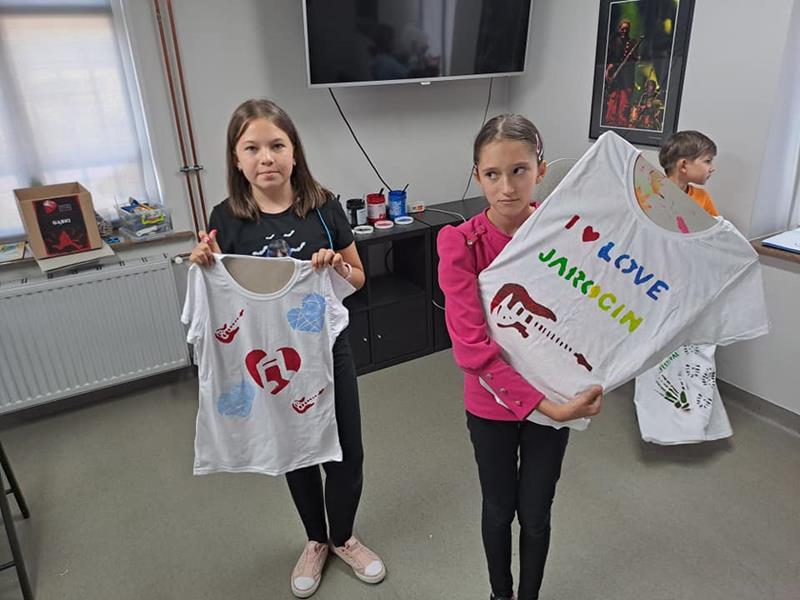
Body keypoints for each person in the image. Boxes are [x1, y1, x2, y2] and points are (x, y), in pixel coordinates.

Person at [189, 98, 385, 598]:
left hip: (328, 351)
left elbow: (359, 278)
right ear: (236, 159)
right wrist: (205, 263)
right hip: (270, 357)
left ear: (294, 151)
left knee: (347, 451)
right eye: (252, 148)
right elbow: (222, 286)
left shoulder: (323, 207)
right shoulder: (227, 219)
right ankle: (316, 540)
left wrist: (336, 267)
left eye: (277, 145)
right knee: (295, 447)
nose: (266, 158)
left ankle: (343, 537)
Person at [437, 114, 604, 600]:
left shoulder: (564, 233)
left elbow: (589, 313)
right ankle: (500, 595)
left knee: (536, 512)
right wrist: (548, 407)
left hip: (556, 396)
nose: (507, 187)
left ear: (541, 170)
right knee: (498, 509)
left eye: (519, 171)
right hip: (494, 405)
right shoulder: (461, 242)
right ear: (477, 176)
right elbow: (471, 347)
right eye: (493, 174)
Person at [658, 130, 719, 216]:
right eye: (707, 161)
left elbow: (714, 224)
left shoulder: (703, 197)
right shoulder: (651, 193)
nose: (712, 168)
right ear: (683, 165)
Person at [604, 18, 642, 127]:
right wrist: (608, 70)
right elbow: (611, 58)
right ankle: (611, 121)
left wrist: (635, 57)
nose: (624, 31)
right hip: (615, 76)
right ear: (619, 29)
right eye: (622, 29)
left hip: (627, 76)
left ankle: (621, 123)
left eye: (626, 29)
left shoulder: (632, 43)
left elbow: (635, 58)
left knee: (624, 100)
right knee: (613, 99)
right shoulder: (614, 41)